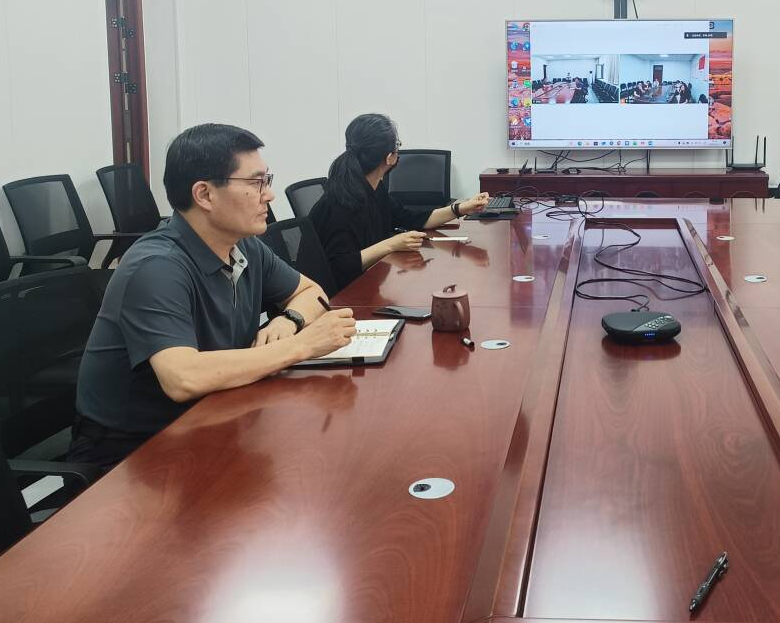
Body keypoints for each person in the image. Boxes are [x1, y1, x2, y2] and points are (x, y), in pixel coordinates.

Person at [70, 124, 358, 468]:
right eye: (256, 183)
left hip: (212, 416)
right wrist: (301, 346)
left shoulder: (245, 246)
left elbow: (310, 292)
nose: (269, 195)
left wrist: (289, 321)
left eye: (267, 180)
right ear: (204, 195)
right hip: (131, 454)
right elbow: (182, 377)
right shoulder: (156, 266)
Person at [309, 114, 489, 292]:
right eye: (397, 145)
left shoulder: (373, 188)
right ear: (389, 157)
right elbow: (339, 266)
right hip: (341, 297)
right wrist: (391, 245)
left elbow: (411, 218)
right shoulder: (341, 202)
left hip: (368, 283)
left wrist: (460, 209)